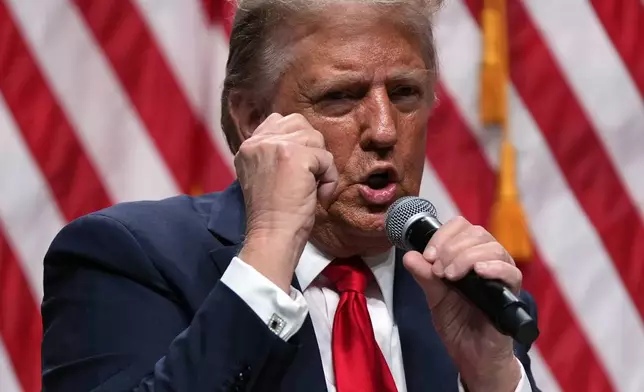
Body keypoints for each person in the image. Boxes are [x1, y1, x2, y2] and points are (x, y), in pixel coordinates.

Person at [41, 0, 541, 391]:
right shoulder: (128, 259)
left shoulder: (472, 299)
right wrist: (270, 248)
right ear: (254, 118)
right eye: (340, 96)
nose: (385, 130)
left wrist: (492, 377)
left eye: (405, 93)